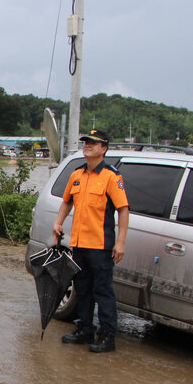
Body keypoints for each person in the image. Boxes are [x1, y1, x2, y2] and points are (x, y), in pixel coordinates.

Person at [52, 129, 129, 353]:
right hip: (79, 243)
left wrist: (121, 242)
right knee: (82, 289)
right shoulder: (77, 174)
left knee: (102, 291)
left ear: (103, 149)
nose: (87, 146)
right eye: (86, 142)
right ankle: (85, 329)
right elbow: (67, 202)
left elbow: (123, 210)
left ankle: (107, 335)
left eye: (93, 143)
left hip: (101, 246)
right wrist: (58, 222)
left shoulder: (111, 177)